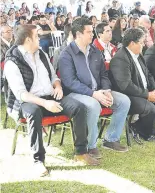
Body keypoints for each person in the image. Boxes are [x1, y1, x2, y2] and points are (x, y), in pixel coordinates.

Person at [3, 25, 99, 177]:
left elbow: (54, 77)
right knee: (33, 112)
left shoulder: (42, 54)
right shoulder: (12, 61)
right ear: (28, 39)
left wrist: (58, 86)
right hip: (28, 101)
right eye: (37, 36)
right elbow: (21, 94)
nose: (40, 38)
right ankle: (38, 161)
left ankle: (81, 152)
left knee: (79, 107)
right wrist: (45, 103)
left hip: (49, 97)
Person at [59, 18, 131, 158]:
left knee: (124, 101)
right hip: (75, 93)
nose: (92, 34)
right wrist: (93, 94)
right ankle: (90, 146)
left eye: (92, 31)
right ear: (78, 34)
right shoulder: (66, 54)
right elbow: (69, 82)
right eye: (89, 32)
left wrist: (107, 90)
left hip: (98, 90)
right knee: (93, 105)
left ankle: (110, 139)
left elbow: (104, 74)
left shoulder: (95, 50)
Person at [110, 28, 155, 140]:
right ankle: (146, 133)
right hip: (128, 95)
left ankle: (137, 127)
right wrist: (147, 95)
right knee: (150, 108)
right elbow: (126, 86)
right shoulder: (120, 59)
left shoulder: (138, 54)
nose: (143, 45)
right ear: (132, 43)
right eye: (141, 42)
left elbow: (148, 75)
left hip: (143, 92)